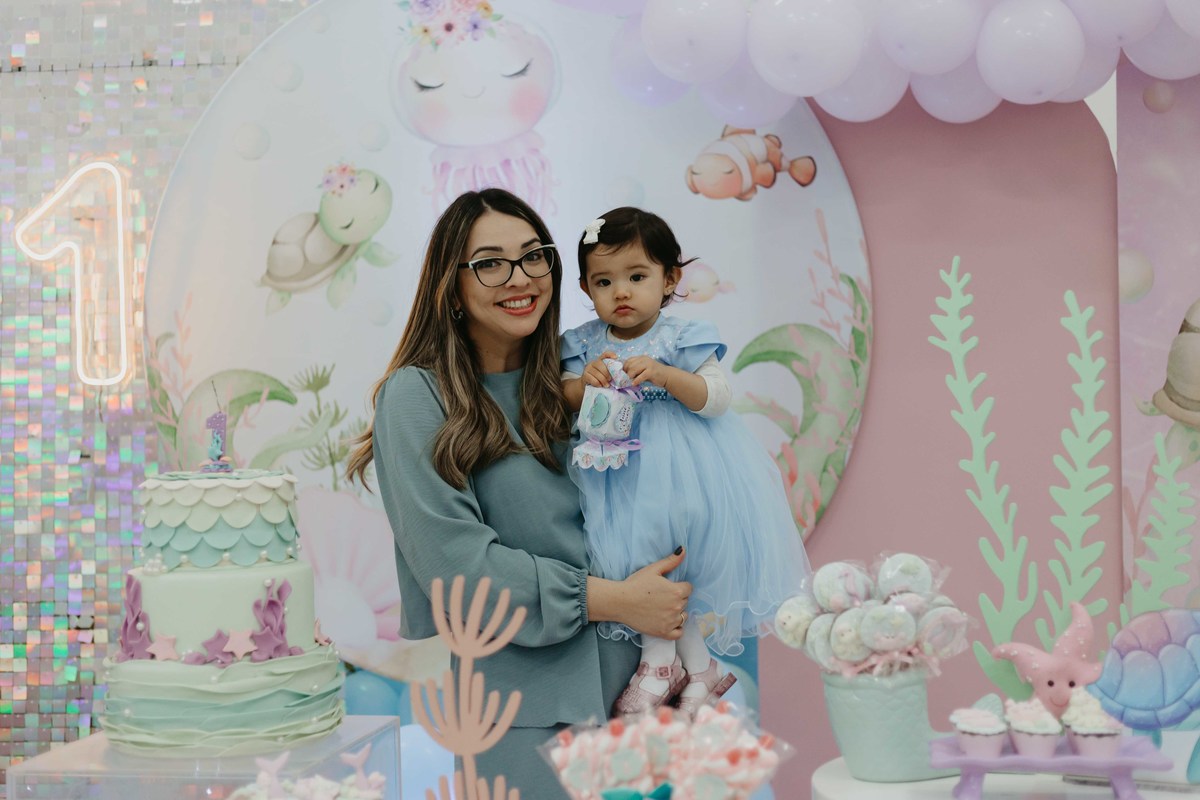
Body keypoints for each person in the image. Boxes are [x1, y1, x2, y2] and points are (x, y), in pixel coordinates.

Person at [346, 189, 692, 797]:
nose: (520, 277)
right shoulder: (417, 397)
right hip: (523, 713)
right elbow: (458, 570)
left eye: (534, 256)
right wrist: (617, 601)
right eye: (490, 263)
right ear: (451, 287)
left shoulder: (580, 377)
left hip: (644, 691)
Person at [561, 206, 812, 718]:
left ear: (670, 279)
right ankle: (700, 669)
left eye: (637, 277)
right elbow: (560, 398)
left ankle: (657, 664)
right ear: (586, 288)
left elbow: (716, 398)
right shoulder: (583, 343)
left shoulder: (682, 336)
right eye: (604, 281)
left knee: (668, 561)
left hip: (678, 471)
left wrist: (665, 374)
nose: (621, 292)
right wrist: (581, 384)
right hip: (614, 474)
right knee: (640, 567)